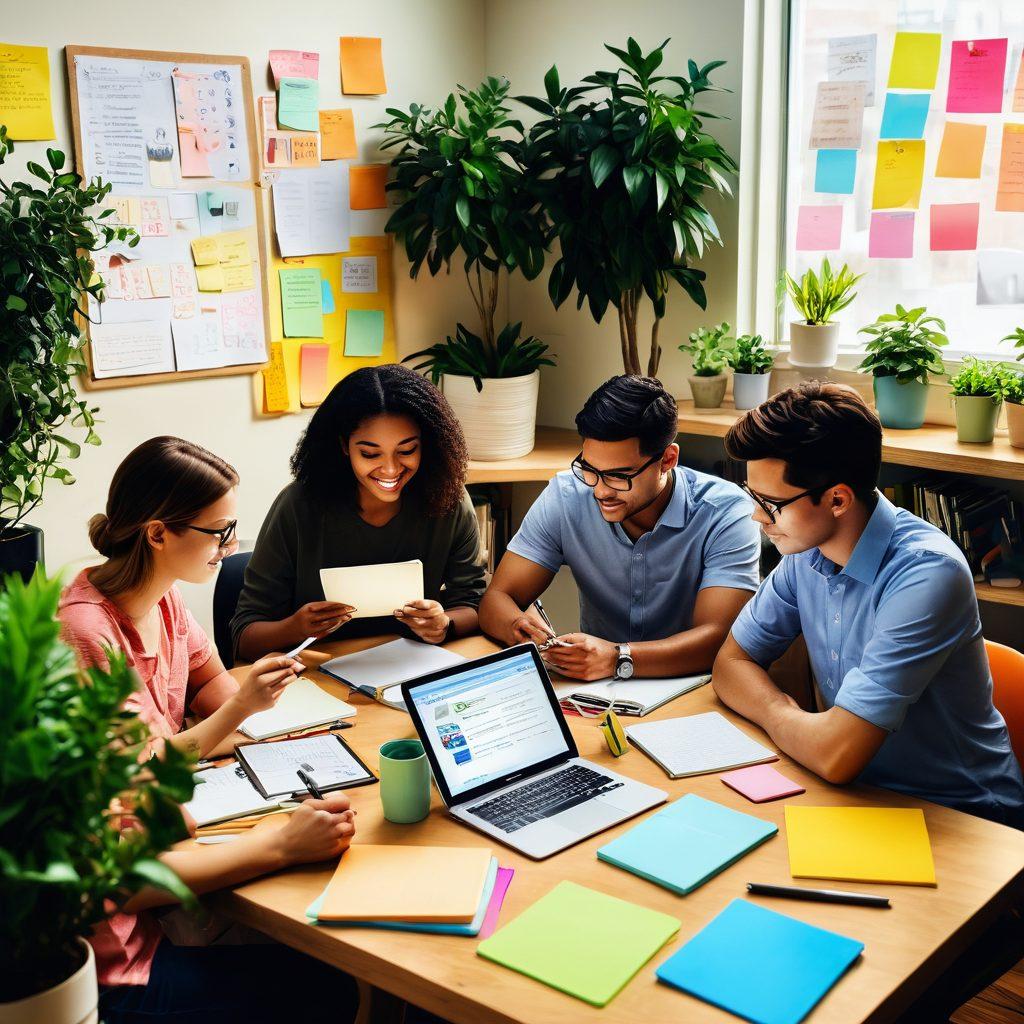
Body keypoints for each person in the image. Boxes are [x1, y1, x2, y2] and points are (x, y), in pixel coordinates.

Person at [58, 436, 359, 1024]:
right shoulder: (86, 634)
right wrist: (277, 843)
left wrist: (250, 705)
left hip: (163, 861)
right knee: (327, 983)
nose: (231, 546)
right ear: (157, 533)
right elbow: (143, 784)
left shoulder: (165, 601)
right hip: (119, 959)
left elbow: (214, 694)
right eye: (218, 532)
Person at [711, 381, 1024, 828]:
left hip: (962, 817)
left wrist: (781, 715)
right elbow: (730, 662)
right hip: (855, 798)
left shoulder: (927, 574)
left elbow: (835, 755)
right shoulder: (805, 551)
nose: (757, 517)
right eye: (752, 497)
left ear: (838, 499)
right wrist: (790, 718)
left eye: (771, 504)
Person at [480, 375, 760, 680]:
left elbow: (717, 637)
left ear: (668, 459)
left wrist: (618, 658)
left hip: (693, 685)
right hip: (596, 690)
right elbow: (497, 598)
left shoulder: (726, 512)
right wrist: (519, 629)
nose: (600, 491)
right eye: (589, 469)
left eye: (618, 476)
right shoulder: (566, 495)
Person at [232, 364, 486, 662]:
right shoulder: (299, 506)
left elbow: (474, 604)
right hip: (317, 677)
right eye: (369, 453)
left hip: (410, 672)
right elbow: (243, 637)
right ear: (343, 446)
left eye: (407, 450)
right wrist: (295, 627)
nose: (390, 469)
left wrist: (444, 624)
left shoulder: (448, 501)